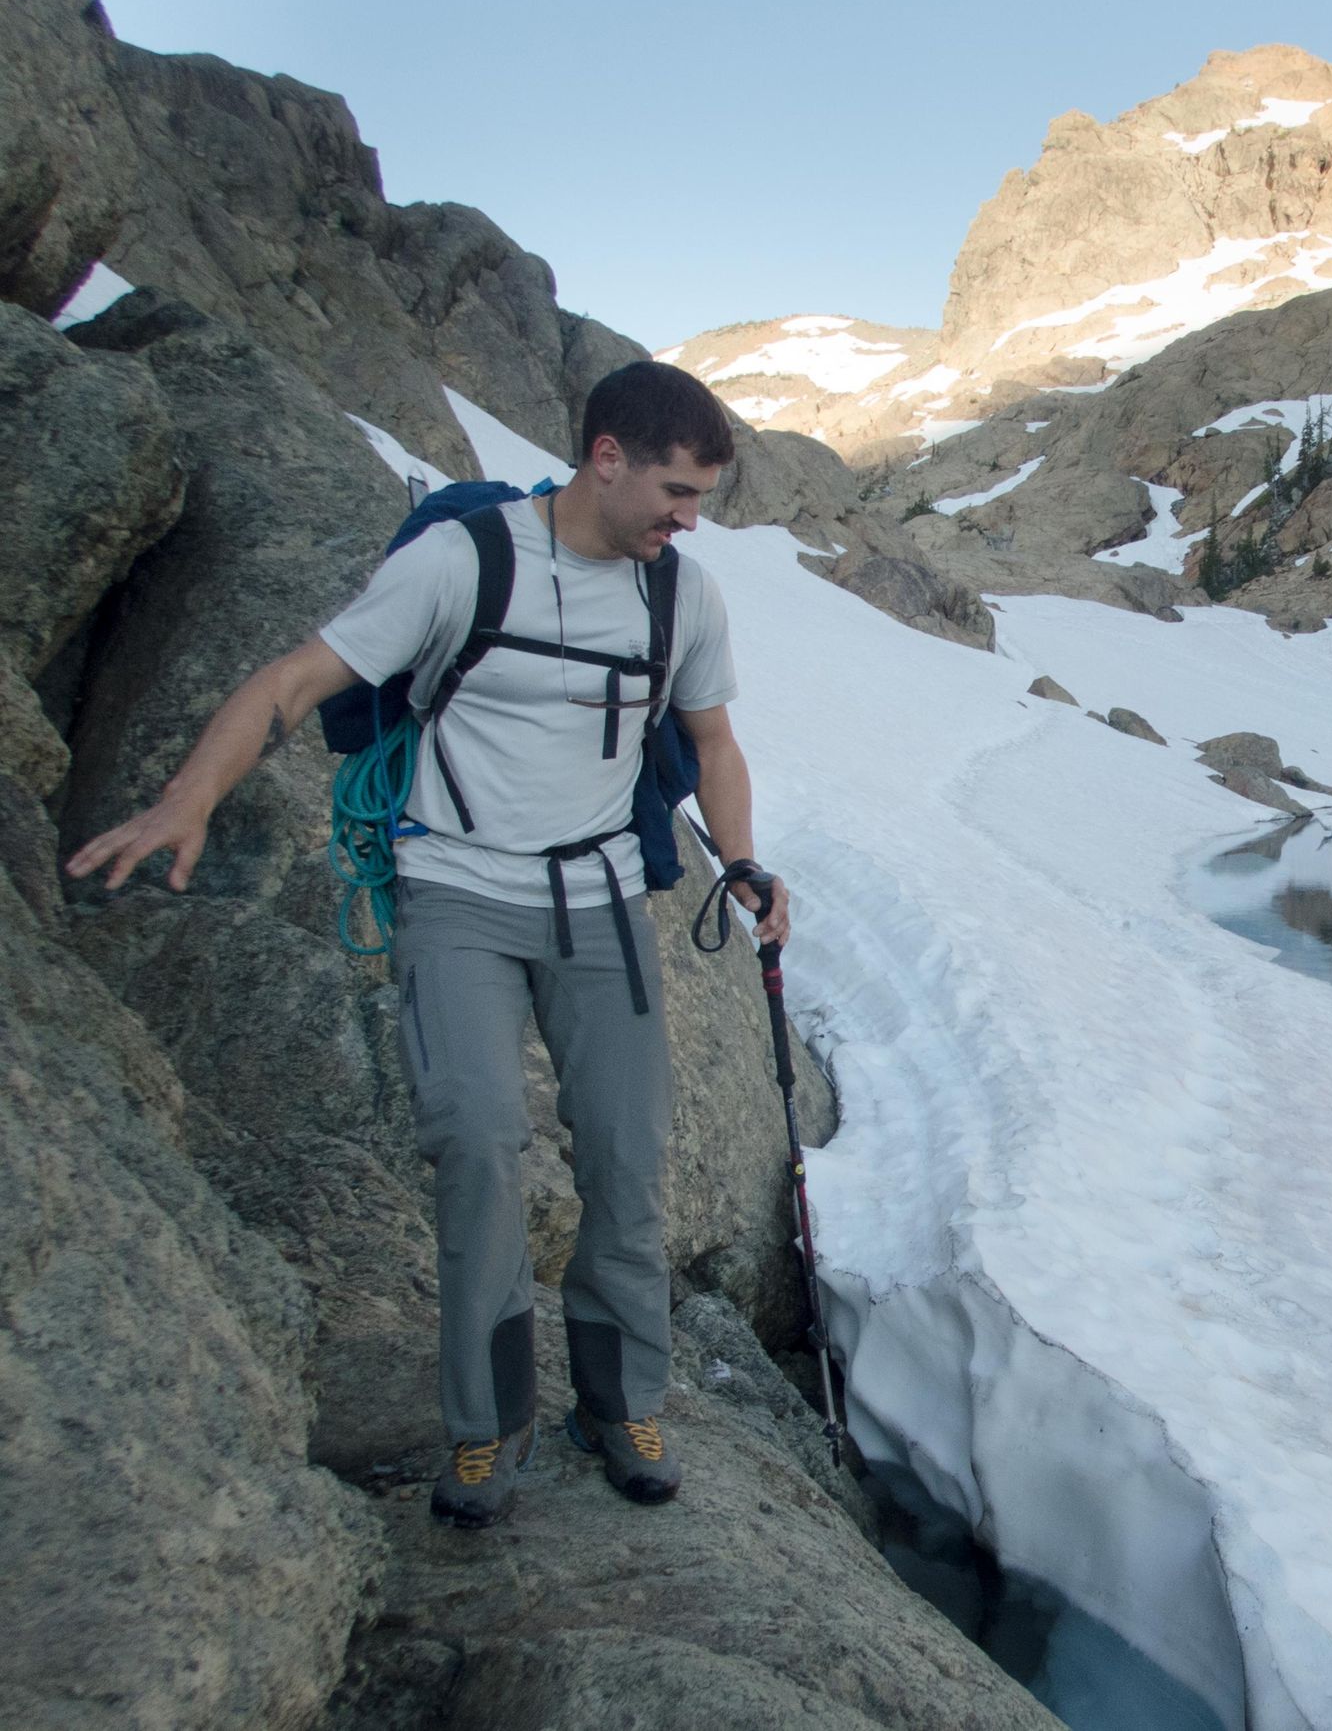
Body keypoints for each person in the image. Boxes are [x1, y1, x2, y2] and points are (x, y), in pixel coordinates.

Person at [67, 361, 792, 1528]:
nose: (688, 520)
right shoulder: (466, 561)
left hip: (600, 902)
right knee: (474, 1146)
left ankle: (618, 1404)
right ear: (605, 457)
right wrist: (185, 800)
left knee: (623, 1158)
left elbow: (712, 744)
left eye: (700, 499)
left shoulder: (680, 596)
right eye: (674, 491)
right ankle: (484, 1427)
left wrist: (746, 859)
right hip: (455, 891)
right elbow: (297, 680)